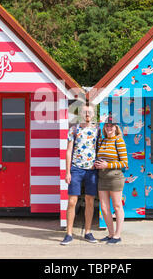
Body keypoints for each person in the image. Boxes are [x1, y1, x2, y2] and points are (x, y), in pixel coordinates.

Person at [60, 104, 100, 245]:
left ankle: (88, 232)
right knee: (72, 201)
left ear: (94, 114)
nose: (87, 114)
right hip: (76, 169)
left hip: (92, 170)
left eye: (89, 112)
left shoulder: (97, 130)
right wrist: (67, 172)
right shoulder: (74, 129)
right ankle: (69, 233)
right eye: (84, 112)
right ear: (80, 114)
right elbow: (69, 151)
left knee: (90, 201)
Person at [95, 120, 128, 244]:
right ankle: (110, 233)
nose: (109, 128)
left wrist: (107, 164)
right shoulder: (102, 141)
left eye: (111, 126)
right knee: (104, 207)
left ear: (115, 128)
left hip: (115, 178)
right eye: (107, 126)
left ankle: (117, 235)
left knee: (117, 206)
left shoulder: (118, 140)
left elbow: (125, 163)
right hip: (102, 177)